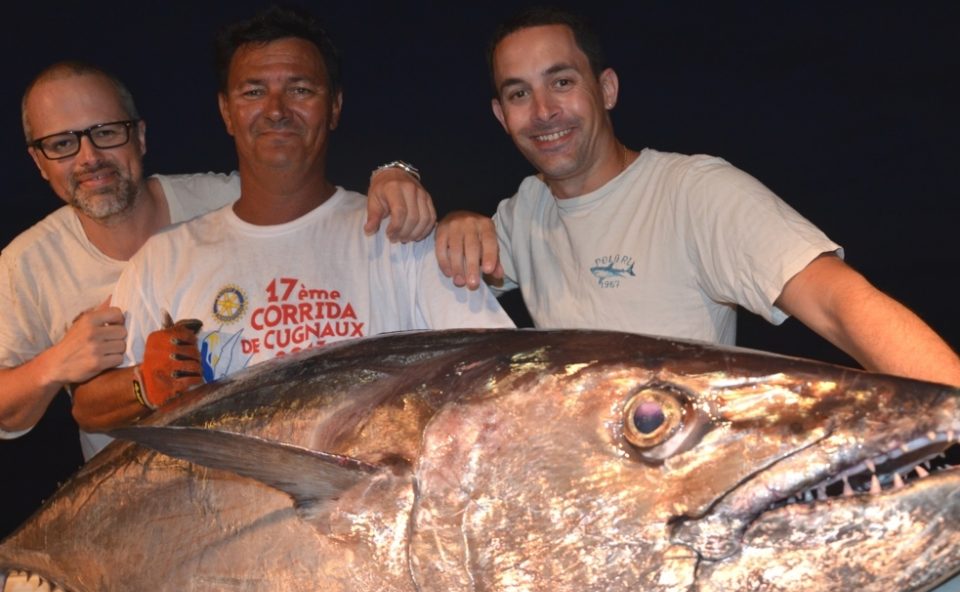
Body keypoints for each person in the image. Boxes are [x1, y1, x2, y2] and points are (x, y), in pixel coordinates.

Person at [435, 7, 960, 388]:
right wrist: (422, 193)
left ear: (608, 89)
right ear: (502, 117)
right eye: (519, 93)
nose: (544, 111)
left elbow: (837, 303)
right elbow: (426, 269)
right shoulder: (526, 211)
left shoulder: (693, 191)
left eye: (562, 81)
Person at [71, 5, 511, 433]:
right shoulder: (164, 258)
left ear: (335, 107)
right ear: (227, 112)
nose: (277, 109)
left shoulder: (401, 234)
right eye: (253, 92)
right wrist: (142, 386)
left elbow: (502, 376)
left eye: (301, 90)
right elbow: (88, 408)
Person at [0, 60, 437, 461]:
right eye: (62, 144)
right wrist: (56, 364)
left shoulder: (224, 205)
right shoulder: (24, 265)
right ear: (39, 162)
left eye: (107, 132)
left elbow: (310, 195)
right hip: (130, 498)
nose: (89, 157)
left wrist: (394, 172)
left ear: (141, 136)